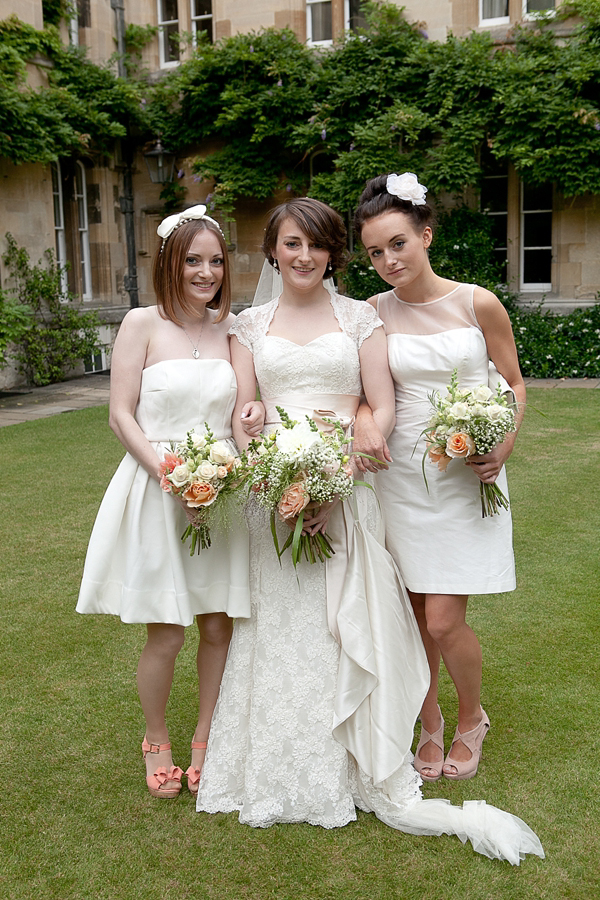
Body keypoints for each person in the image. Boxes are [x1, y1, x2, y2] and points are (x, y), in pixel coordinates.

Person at [196, 198, 543, 864]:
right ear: (273, 250)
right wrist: (266, 455)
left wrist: (338, 474)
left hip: (348, 486)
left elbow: (379, 403)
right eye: (292, 244)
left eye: (318, 245)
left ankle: (379, 749)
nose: (304, 257)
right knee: (280, 626)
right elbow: (248, 408)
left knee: (349, 623)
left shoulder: (361, 316)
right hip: (274, 492)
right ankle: (277, 757)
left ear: (331, 253)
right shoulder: (248, 324)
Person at [77, 205, 263, 799]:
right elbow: (119, 414)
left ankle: (206, 736)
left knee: (217, 626)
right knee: (167, 633)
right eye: (193, 260)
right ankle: (156, 738)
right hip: (157, 487)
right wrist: (172, 475)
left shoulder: (233, 330)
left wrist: (247, 460)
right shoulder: (140, 324)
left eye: (215, 260)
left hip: (222, 494)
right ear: (169, 262)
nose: (206, 272)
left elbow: (242, 416)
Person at [353, 173, 526, 783]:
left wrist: (500, 442)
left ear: (425, 235)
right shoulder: (372, 314)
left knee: (444, 618)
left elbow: (512, 383)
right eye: (375, 251)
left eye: (398, 243)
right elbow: (363, 395)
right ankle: (427, 723)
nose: (388, 260)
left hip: (463, 477)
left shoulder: (476, 303)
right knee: (411, 613)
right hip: (400, 477)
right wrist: (363, 427)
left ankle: (472, 717)